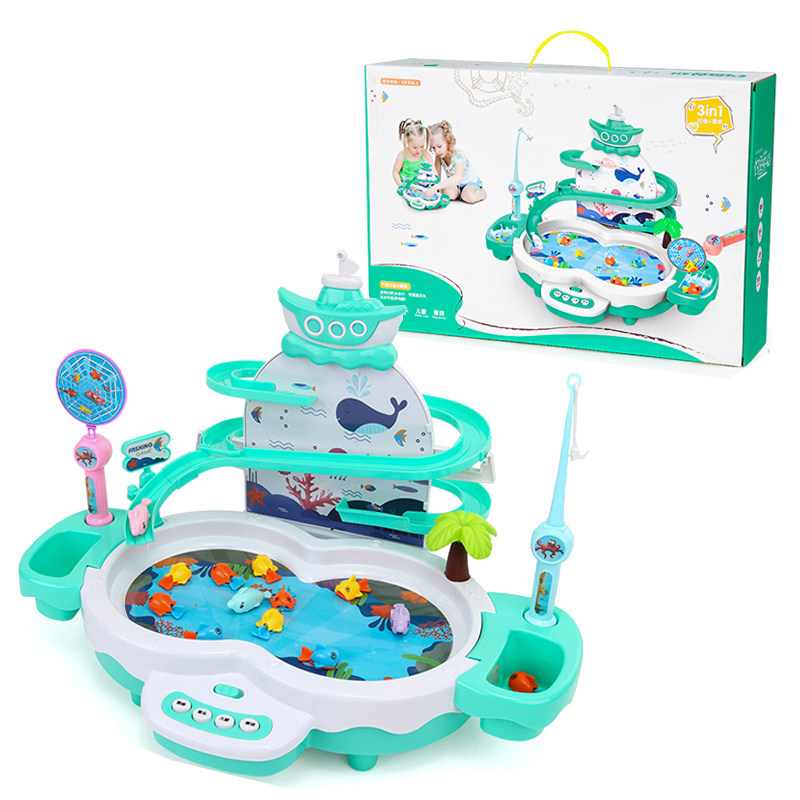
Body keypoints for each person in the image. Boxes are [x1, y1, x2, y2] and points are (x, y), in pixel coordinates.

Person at [428, 120, 486, 203]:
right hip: (455, 185)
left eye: (439, 146)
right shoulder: (439, 156)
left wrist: (436, 187)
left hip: (470, 183)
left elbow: (458, 178)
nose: (436, 151)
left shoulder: (458, 155)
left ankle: (481, 193)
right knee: (446, 192)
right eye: (433, 147)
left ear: (448, 141)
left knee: (468, 195)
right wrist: (431, 188)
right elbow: (437, 176)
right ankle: (460, 194)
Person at [392, 119, 433, 186]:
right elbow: (395, 172)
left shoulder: (425, 154)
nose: (418, 150)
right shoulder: (402, 155)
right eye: (414, 147)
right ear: (407, 142)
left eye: (422, 146)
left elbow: (433, 171)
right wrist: (400, 185)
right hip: (407, 189)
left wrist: (435, 184)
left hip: (423, 188)